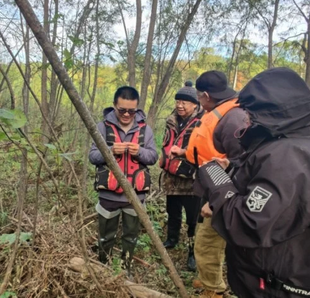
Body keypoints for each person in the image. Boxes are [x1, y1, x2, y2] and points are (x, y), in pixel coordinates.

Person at [194, 67, 310, 298]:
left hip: (287, 288)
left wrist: (216, 181)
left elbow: (246, 223)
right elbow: (280, 200)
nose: (245, 120)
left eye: (249, 113)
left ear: (267, 115)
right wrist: (232, 169)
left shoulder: (286, 158)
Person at [185, 71, 249, 298]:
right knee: (207, 241)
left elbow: (245, 167)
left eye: (199, 98)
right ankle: (208, 280)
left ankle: (213, 290)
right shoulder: (223, 112)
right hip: (213, 187)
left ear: (206, 95)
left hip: (225, 197)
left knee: (207, 243)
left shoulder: (234, 118)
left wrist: (215, 203)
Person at [88, 86, 158, 276]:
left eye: (132, 111)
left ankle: (126, 270)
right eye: (122, 110)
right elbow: (92, 156)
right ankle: (104, 268)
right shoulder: (102, 127)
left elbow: (153, 157)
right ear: (114, 106)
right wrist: (110, 151)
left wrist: (140, 152)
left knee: (131, 237)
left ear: (137, 108)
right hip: (108, 195)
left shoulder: (145, 130)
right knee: (105, 237)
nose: (127, 114)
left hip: (135, 196)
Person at [160, 81, 205, 272]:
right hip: (172, 177)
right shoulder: (171, 120)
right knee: (173, 211)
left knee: (193, 219)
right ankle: (171, 239)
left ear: (195, 104)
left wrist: (183, 152)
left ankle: (192, 251)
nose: (180, 105)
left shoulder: (203, 122)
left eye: (185, 102)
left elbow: (204, 150)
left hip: (192, 179)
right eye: (178, 101)